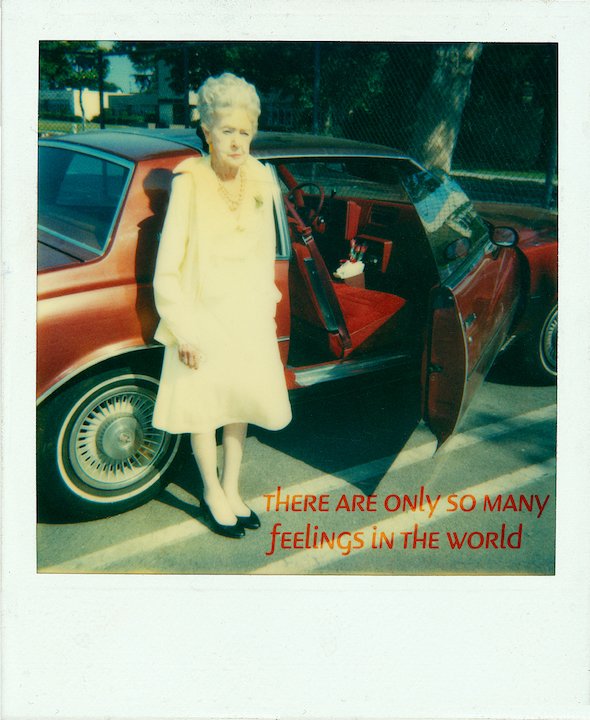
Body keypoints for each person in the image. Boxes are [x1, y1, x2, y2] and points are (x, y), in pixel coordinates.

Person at [151, 72, 292, 539]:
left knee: (239, 404)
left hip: (246, 315)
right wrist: (183, 330)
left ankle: (232, 488)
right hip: (201, 316)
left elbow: (265, 255)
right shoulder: (190, 182)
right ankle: (211, 491)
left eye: (244, 132)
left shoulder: (261, 179)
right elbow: (169, 265)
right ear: (207, 131)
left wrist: (265, 313)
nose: (236, 142)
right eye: (227, 131)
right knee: (204, 407)